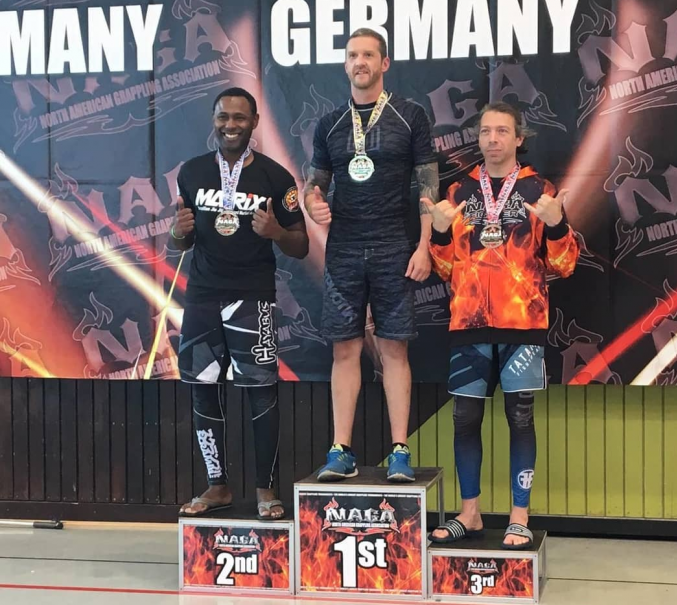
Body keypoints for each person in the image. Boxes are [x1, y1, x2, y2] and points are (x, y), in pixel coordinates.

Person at [423, 102, 579, 548]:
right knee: (464, 418)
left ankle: (519, 516)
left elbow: (565, 265)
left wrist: (557, 225)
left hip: (522, 324)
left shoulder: (539, 190)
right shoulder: (458, 192)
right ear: (477, 138)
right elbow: (446, 269)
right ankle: (469, 513)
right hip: (468, 324)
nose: (492, 139)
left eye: (502, 131)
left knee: (520, 417)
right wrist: (438, 233)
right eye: (486, 131)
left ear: (519, 138)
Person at [304, 28, 439, 483]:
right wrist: (312, 203)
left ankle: (400, 450)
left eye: (368, 54)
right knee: (345, 349)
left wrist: (424, 245)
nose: (359, 62)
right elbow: (315, 184)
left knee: (393, 348)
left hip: (394, 246)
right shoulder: (330, 123)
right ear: (345, 64)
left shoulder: (410, 116)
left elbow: (428, 185)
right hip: (343, 249)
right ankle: (341, 450)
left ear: (384, 63)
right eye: (352, 55)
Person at [174, 87, 308, 519]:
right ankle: (217, 486)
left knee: (261, 393)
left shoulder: (276, 178)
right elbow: (181, 241)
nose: (230, 125)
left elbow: (301, 245)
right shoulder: (192, 172)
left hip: (253, 297)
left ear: (254, 122)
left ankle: (267, 490)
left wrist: (276, 233)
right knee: (202, 391)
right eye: (223, 117)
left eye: (239, 117)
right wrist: (177, 233)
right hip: (202, 297)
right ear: (213, 120)